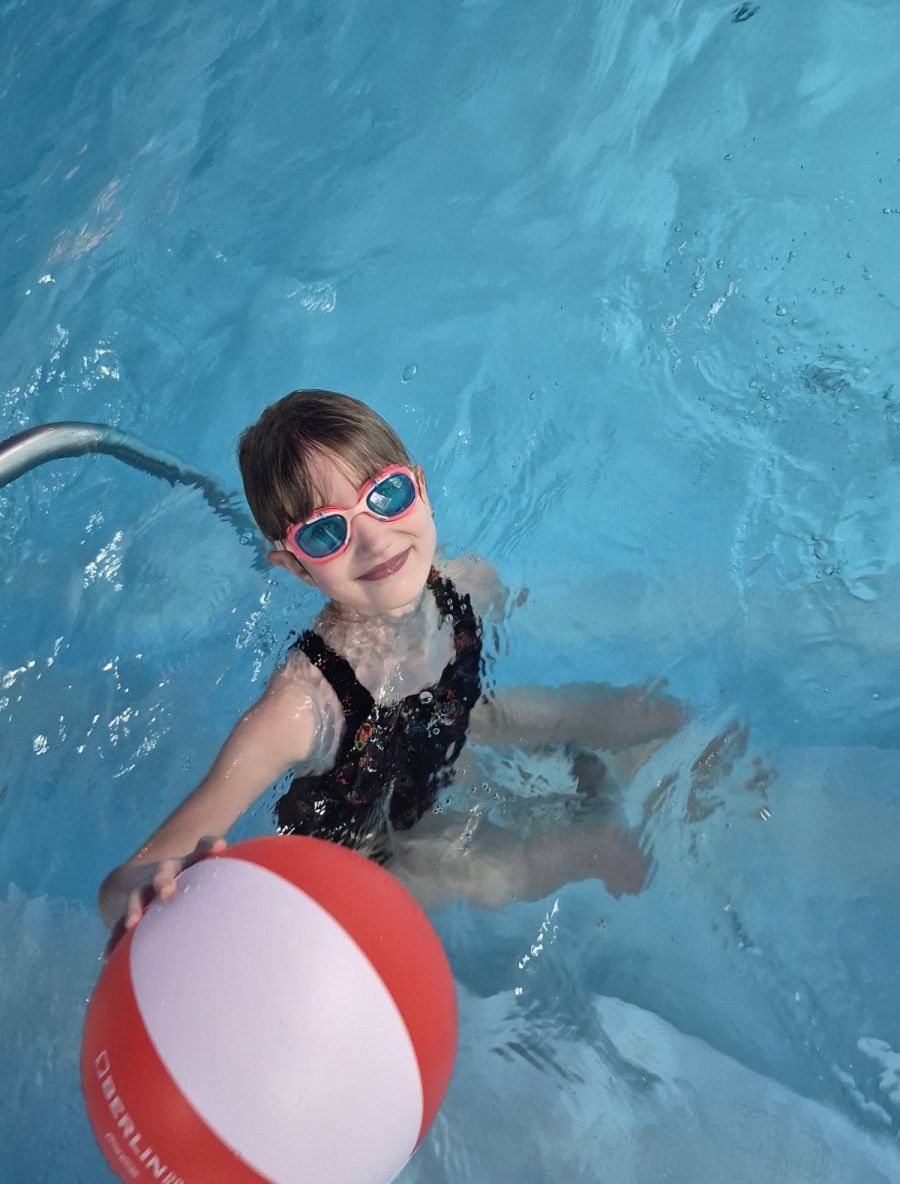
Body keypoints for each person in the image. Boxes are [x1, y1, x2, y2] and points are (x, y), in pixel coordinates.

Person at [98, 390, 683, 934]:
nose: (376, 540)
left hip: (445, 732)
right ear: (296, 568)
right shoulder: (302, 706)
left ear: (421, 490)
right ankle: (597, 849)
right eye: (326, 533)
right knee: (487, 870)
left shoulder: (469, 584)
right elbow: (125, 881)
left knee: (602, 712)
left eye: (387, 496)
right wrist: (144, 888)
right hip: (370, 845)